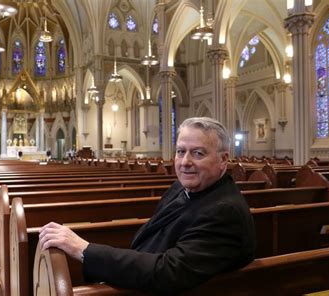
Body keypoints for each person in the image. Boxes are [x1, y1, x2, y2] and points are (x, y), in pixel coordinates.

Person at [38, 117, 256, 294]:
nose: (185, 161)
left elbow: (167, 272)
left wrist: (83, 249)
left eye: (198, 153)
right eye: (180, 151)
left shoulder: (224, 212)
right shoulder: (181, 188)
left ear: (223, 160)